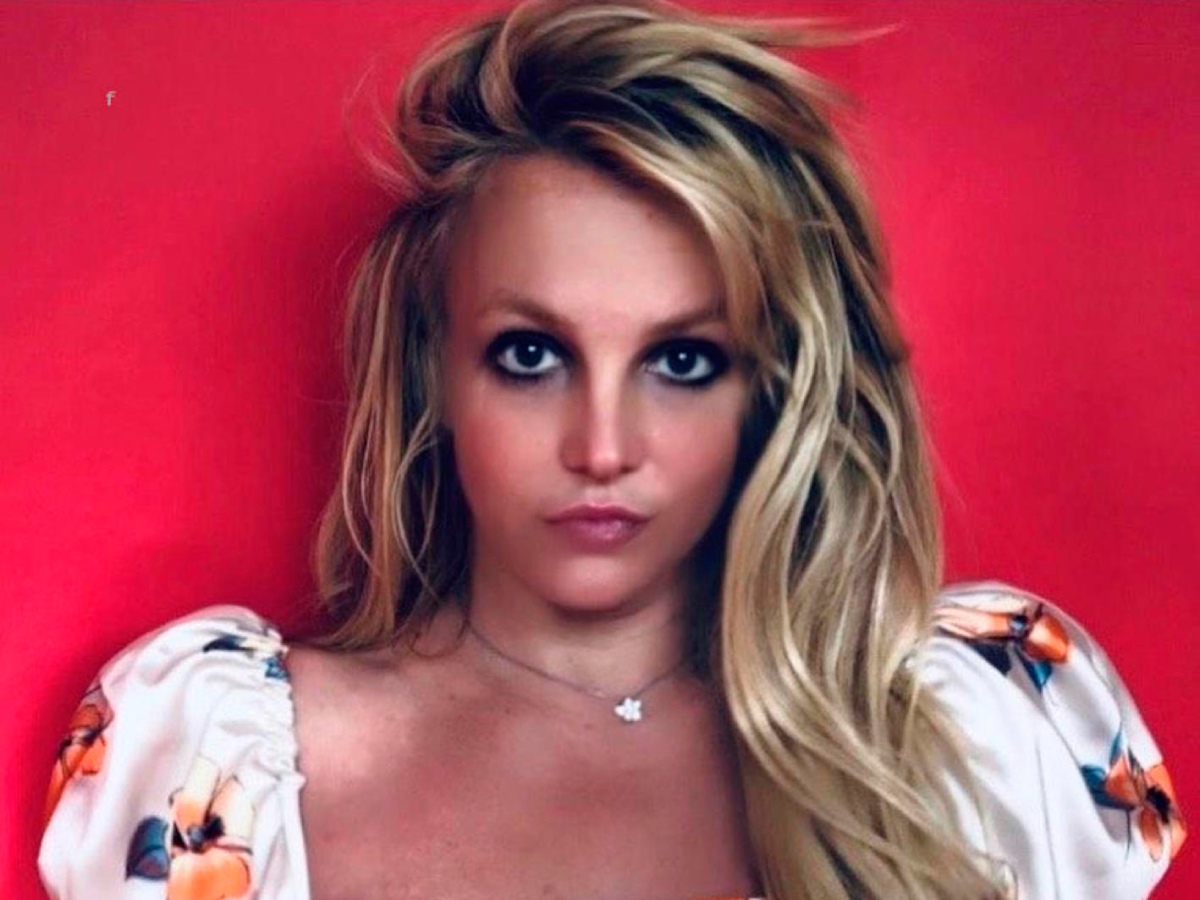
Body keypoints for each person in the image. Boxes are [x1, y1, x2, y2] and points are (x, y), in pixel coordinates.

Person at [37, 1, 1186, 898]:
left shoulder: (985, 736)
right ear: (434, 366)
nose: (602, 447)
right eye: (532, 354)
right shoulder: (212, 763)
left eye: (681, 360)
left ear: (769, 388)